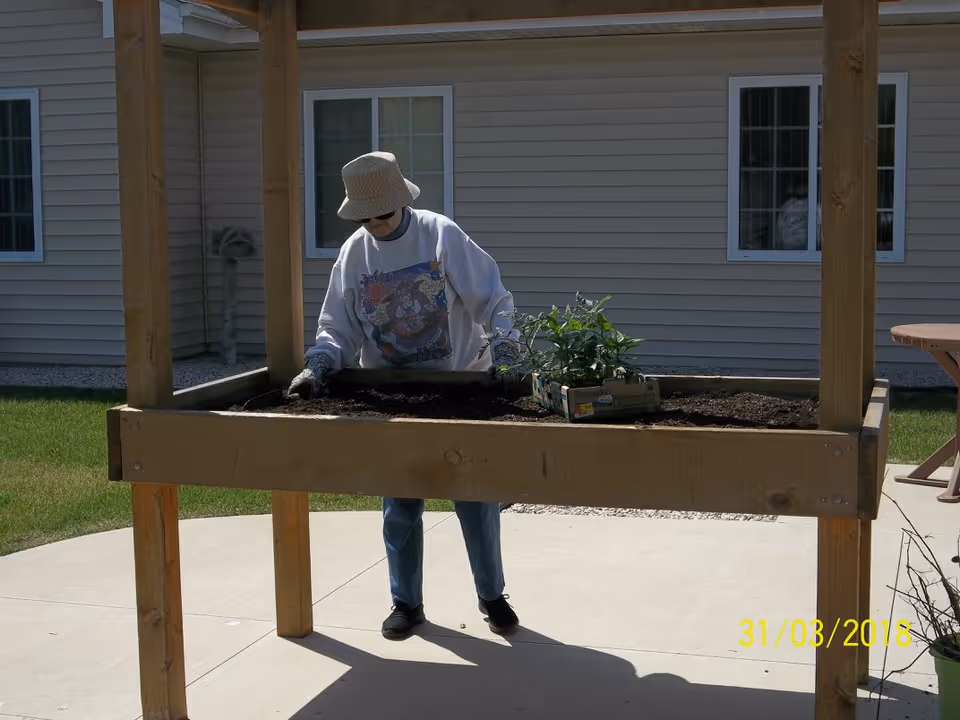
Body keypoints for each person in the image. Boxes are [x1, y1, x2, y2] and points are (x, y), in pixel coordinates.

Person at [287, 151, 521, 640]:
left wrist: (504, 347)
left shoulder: (440, 235)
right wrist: (319, 365)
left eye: (383, 214)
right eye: (365, 217)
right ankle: (406, 603)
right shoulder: (355, 253)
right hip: (393, 394)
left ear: (402, 203)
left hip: (460, 385)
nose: (374, 224)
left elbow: (493, 298)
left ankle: (492, 595)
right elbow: (338, 326)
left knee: (476, 500)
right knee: (400, 504)